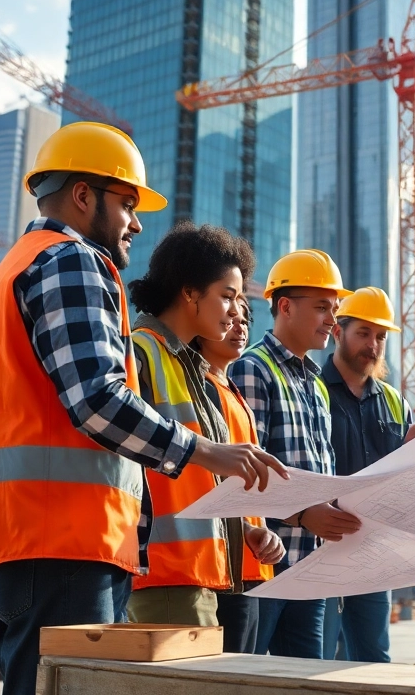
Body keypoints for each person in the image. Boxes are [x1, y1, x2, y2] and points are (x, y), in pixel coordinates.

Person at [0, 122, 288, 695]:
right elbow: (97, 398)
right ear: (84, 196)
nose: (136, 222)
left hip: (11, 540)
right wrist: (205, 451)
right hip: (62, 541)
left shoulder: (8, 272)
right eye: (128, 203)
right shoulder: (71, 260)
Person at [124, 222, 285, 639]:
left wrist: (243, 529)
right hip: (165, 575)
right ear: (189, 291)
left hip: (198, 573)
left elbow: (198, 486)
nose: (236, 312)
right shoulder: (140, 352)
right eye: (227, 297)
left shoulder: (190, 370)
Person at [229, 249, 364, 659]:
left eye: (335, 309)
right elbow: (244, 474)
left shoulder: (317, 385)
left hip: (311, 564)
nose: (332, 320)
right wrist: (305, 515)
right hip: (265, 563)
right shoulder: (253, 369)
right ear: (285, 306)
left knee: (304, 679)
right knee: (248, 681)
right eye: (322, 307)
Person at [319, 287, 415, 662]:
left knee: (373, 660)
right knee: (312, 660)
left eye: (380, 336)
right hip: (320, 544)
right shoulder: (311, 390)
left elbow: (404, 479)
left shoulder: (396, 402)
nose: (373, 344)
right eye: (363, 333)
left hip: (373, 549)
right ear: (338, 332)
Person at [196, 302, 282, 653]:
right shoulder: (201, 390)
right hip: (221, 566)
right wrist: (245, 530)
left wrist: (260, 530)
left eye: (245, 319)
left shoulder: (233, 393)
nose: (241, 326)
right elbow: (204, 479)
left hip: (250, 563)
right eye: (230, 319)